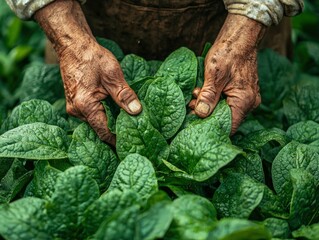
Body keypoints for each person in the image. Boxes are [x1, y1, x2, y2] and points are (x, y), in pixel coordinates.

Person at [5, 0, 303, 145]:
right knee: (85, 124)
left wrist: (250, 25)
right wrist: (71, 42)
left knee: (259, 126)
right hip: (91, 22)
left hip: (232, 22)